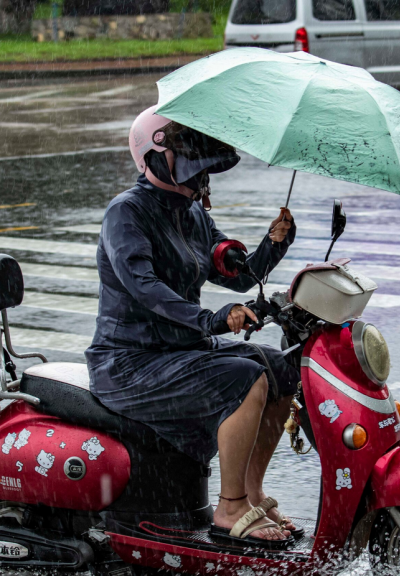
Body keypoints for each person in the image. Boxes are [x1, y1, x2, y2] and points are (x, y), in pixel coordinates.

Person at [86, 106, 299, 547]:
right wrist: (212, 320)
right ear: (153, 155)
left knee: (280, 369)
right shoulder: (126, 213)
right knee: (245, 378)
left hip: (181, 349)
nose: (199, 174)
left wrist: (273, 245)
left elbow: (237, 275)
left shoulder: (193, 214)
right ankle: (231, 508)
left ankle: (254, 495)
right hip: (130, 360)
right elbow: (145, 288)